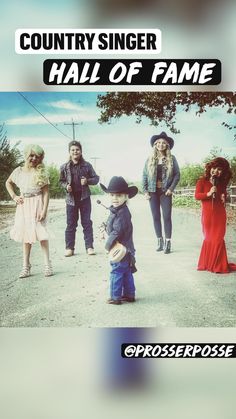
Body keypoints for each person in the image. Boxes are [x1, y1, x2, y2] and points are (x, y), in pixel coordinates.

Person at [5, 144, 53, 278]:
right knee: (26, 236)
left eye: (37, 156)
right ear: (26, 155)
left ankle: (47, 264)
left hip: (37, 204)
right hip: (24, 206)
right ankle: (26, 266)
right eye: (31, 155)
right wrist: (14, 196)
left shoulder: (41, 172)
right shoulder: (18, 171)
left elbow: (46, 193)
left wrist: (44, 210)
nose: (34, 159)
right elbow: (8, 183)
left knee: (41, 234)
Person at [100, 176, 138, 305]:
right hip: (127, 249)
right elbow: (113, 227)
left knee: (116, 271)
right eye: (112, 195)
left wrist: (107, 245)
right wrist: (105, 227)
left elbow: (117, 231)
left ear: (126, 196)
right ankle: (129, 294)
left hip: (120, 249)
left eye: (119, 195)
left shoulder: (122, 214)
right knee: (126, 272)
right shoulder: (118, 210)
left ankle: (115, 297)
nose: (115, 198)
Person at [195, 157, 236, 273]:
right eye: (214, 168)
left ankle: (218, 266)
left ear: (223, 172)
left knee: (218, 238)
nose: (216, 171)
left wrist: (224, 196)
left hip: (219, 214)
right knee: (209, 238)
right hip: (207, 215)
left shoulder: (222, 182)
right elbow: (197, 196)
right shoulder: (202, 181)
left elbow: (224, 194)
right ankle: (208, 264)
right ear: (210, 168)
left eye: (219, 169)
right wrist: (208, 193)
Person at [142, 131, 180, 254]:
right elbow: (144, 176)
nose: (161, 144)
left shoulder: (171, 159)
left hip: (165, 192)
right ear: (155, 145)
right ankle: (160, 241)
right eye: (158, 142)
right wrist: (145, 191)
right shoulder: (149, 159)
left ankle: (168, 242)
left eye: (164, 143)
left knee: (167, 216)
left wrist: (171, 189)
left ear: (167, 145)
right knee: (155, 217)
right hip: (152, 192)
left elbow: (177, 175)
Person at [59, 140, 99, 256]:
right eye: (72, 150)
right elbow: (60, 181)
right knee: (71, 224)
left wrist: (87, 181)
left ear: (81, 151)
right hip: (71, 200)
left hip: (84, 198)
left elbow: (96, 179)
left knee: (86, 223)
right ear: (69, 152)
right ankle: (69, 248)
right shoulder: (64, 167)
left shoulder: (87, 165)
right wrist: (66, 187)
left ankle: (89, 247)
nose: (75, 151)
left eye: (77, 149)